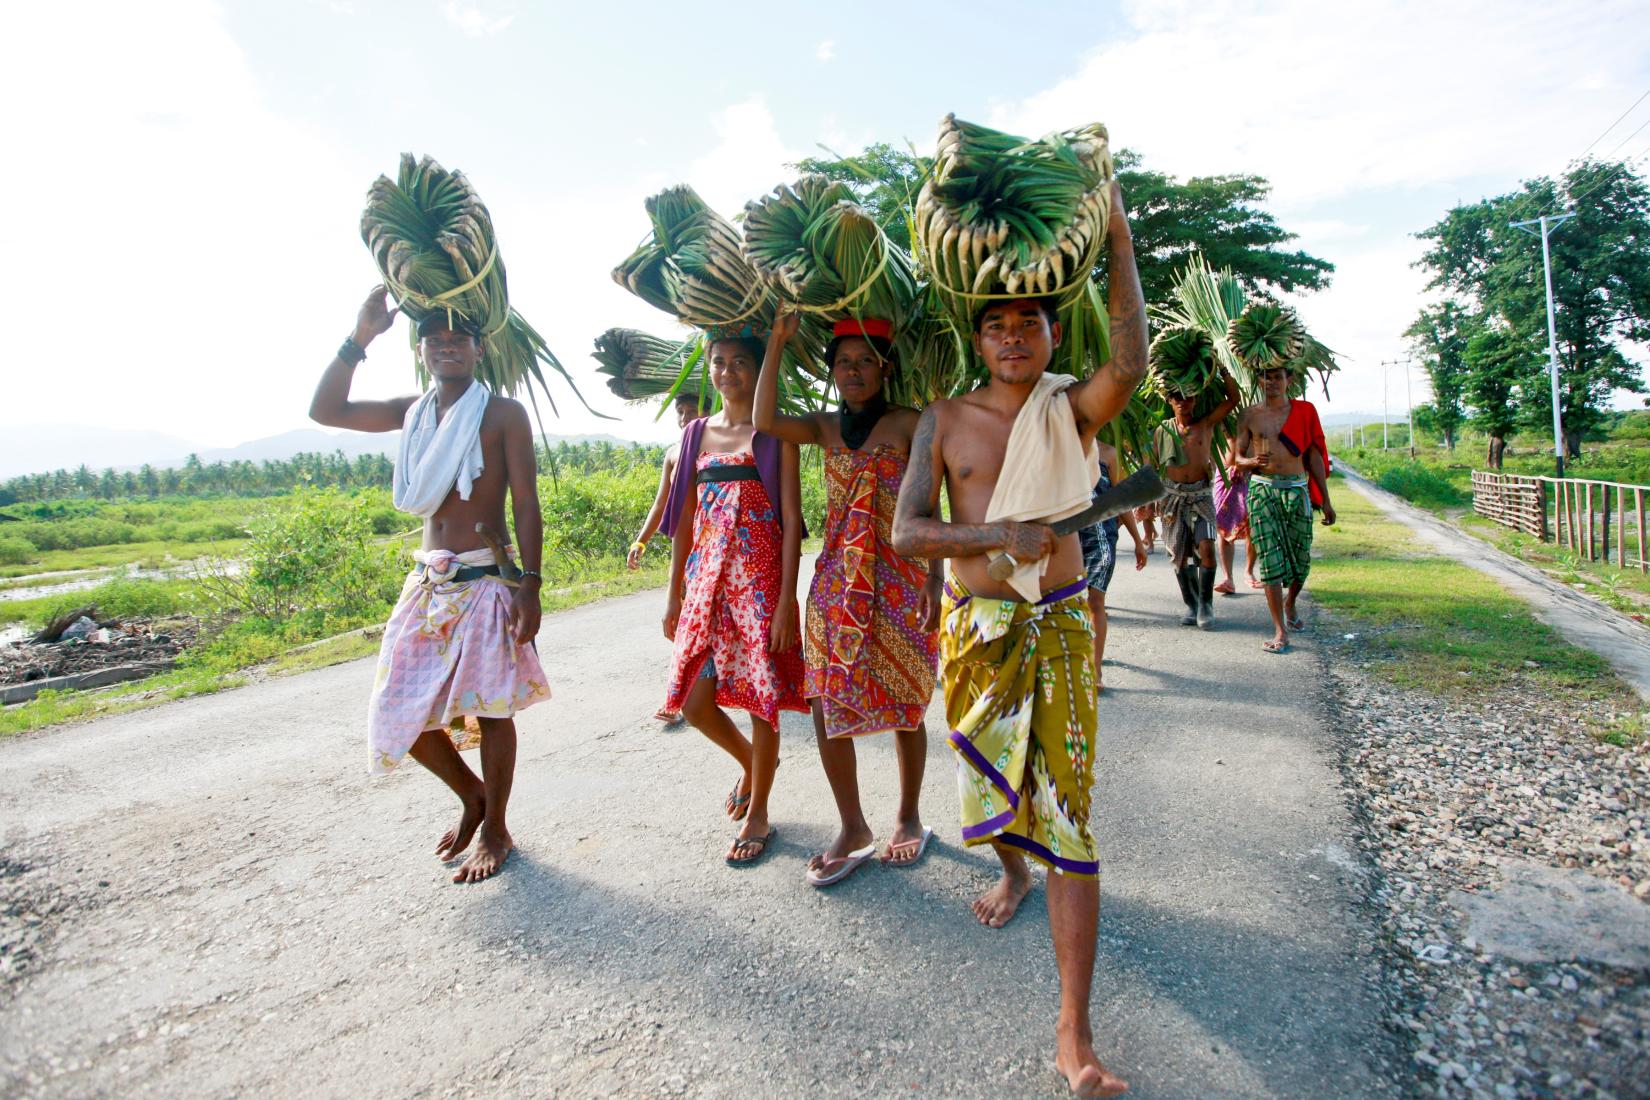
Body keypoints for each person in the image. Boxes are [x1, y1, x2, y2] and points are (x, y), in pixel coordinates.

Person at [893, 179, 1146, 1099]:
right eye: (995, 324)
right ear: (977, 337)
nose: (1011, 336)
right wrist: (996, 536)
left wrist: (1116, 236)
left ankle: (1073, 1031)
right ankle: (1013, 871)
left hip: (1063, 625)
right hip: (979, 632)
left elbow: (1133, 361)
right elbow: (907, 532)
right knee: (992, 800)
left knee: (1070, 816)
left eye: (1028, 322)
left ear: (1049, 333)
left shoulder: (1071, 408)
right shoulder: (944, 419)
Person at [309, 286, 548, 884]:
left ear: (478, 347)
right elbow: (326, 411)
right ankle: (473, 798)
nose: (447, 347)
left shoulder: (501, 414)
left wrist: (530, 585)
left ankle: (497, 827)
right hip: (429, 581)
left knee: (492, 710)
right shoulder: (412, 412)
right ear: (422, 350)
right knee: (401, 710)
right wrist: (360, 336)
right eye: (435, 340)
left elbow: (527, 503)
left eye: (458, 338)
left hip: (488, 580)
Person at [754, 310, 941, 888]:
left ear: (885, 367)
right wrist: (780, 341)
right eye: (843, 362)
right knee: (824, 702)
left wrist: (935, 581)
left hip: (902, 581)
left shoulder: (914, 423)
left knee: (907, 700)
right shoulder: (823, 428)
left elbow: (933, 505)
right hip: (837, 583)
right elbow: (764, 420)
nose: (853, 371)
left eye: (864, 361)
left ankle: (908, 815)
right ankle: (853, 825)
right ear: (831, 370)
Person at [658, 328, 807, 864]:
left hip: (759, 583)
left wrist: (786, 600)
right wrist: (674, 595)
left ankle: (760, 810)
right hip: (705, 583)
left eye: (740, 362)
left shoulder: (773, 435)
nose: (727, 372)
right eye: (718, 362)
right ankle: (752, 763)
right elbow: (683, 522)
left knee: (762, 701)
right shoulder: (695, 433)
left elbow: (791, 520)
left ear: (758, 370)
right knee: (694, 701)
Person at [1232, 365, 1336, 653]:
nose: (1271, 382)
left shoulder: (1305, 412)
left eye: (1278, 376)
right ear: (1258, 378)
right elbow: (1236, 458)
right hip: (1262, 490)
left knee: (1301, 561)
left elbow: (1314, 455)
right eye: (1266, 376)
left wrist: (1325, 499)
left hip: (1296, 489)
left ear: (1290, 379)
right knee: (1270, 561)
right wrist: (1251, 462)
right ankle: (1280, 630)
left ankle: (1290, 603)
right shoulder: (1250, 415)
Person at [630, 391, 705, 725]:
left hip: (713, 550)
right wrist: (640, 541)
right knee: (684, 626)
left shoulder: (718, 446)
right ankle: (678, 698)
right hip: (685, 552)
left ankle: (685, 697)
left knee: (697, 627)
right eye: (681, 411)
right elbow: (661, 502)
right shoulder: (674, 454)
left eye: (692, 410)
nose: (685, 416)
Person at [1143, 373, 1240, 630]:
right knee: (1179, 553)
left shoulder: (1205, 425)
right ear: (1169, 400)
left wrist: (1223, 372)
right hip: (1172, 497)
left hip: (1201, 496)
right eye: (1177, 398)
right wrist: (1146, 499)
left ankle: (1206, 605)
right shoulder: (1162, 430)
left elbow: (1233, 399)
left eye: (1188, 397)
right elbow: (1151, 465)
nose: (1183, 402)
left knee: (1207, 547)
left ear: (1196, 399)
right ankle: (1192, 603)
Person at [1077, 439, 1147, 693]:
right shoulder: (1060, 447)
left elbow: (1121, 501)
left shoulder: (1109, 453)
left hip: (1102, 537)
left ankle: (1095, 669)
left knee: (1095, 600)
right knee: (1070, 601)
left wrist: (1138, 541)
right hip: (1067, 539)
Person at [1211, 449, 1257, 595]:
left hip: (1251, 472)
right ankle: (1228, 579)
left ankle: (1249, 571)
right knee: (1223, 525)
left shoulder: (1249, 424)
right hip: (1224, 473)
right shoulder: (1218, 425)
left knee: (1253, 524)